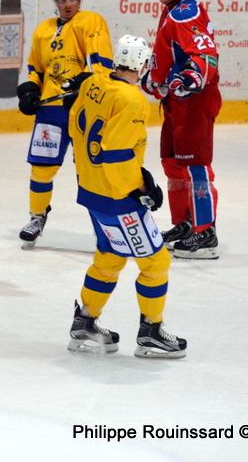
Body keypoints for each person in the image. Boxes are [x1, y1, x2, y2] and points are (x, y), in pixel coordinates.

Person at [63, 34, 186, 358]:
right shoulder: (132, 100)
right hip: (118, 196)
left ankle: (84, 322)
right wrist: (142, 188)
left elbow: (74, 124)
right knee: (156, 262)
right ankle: (151, 332)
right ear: (142, 65)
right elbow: (115, 154)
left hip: (92, 189)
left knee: (110, 256)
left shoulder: (94, 82)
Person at [15, 0, 113, 248]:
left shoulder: (90, 21)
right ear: (56, 1)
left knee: (89, 171)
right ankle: (37, 217)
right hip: (51, 110)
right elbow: (36, 69)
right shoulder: (43, 29)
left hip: (83, 109)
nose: (67, 4)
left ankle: (104, 226)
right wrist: (30, 90)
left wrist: (82, 82)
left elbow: (100, 65)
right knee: (41, 168)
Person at [139, 0, 220, 260]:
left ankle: (205, 232)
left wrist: (192, 76)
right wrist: (154, 79)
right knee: (172, 163)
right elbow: (169, 55)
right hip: (175, 101)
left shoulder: (186, 11)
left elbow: (205, 54)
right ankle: (186, 223)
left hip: (194, 101)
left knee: (195, 166)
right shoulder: (171, 11)